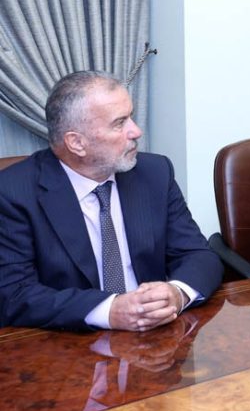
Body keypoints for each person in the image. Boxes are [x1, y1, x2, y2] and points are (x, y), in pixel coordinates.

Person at [0, 71, 223, 331]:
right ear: (76, 143)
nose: (136, 131)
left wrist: (176, 293)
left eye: (131, 116)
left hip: (156, 336)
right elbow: (15, 294)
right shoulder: (13, 193)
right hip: (67, 342)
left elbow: (197, 254)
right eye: (119, 123)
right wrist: (109, 310)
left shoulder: (155, 173)